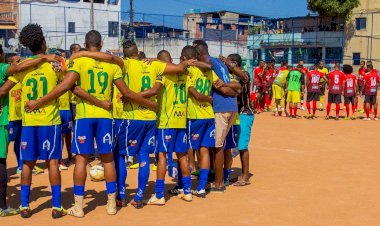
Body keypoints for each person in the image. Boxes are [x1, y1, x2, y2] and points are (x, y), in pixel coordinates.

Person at [25, 30, 157, 217]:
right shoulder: (112, 65)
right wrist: (150, 103)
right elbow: (126, 92)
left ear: (85, 44)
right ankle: (111, 205)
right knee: (108, 159)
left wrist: (38, 102)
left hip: (85, 117)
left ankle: (79, 207)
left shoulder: (79, 61)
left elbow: (66, 86)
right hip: (105, 117)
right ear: (101, 44)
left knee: (81, 159)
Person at [0, 24, 69, 218]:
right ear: (44, 42)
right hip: (50, 121)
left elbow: (4, 90)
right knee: (53, 162)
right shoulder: (56, 63)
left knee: (28, 164)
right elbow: (66, 85)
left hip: (29, 123)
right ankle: (56, 206)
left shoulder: (23, 66)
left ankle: (24, 206)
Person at [194, 40, 247, 193]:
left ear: (199, 54)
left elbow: (223, 89)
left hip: (221, 108)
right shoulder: (220, 63)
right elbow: (235, 85)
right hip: (231, 107)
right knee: (220, 145)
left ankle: (219, 184)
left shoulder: (209, 65)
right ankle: (216, 177)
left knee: (218, 147)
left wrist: (229, 89)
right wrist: (234, 90)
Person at [145, 48, 194, 204]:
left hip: (166, 121)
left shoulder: (163, 74)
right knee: (182, 157)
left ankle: (159, 194)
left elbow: (155, 90)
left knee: (162, 158)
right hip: (181, 121)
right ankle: (187, 191)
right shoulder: (186, 74)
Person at [228, 55, 254, 186]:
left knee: (242, 146)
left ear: (234, 63)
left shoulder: (244, 74)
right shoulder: (231, 76)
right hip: (236, 115)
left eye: (229, 62)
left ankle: (245, 176)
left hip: (245, 113)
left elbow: (244, 78)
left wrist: (229, 64)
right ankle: (237, 173)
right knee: (235, 145)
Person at [55, 49, 73, 170]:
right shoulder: (53, 70)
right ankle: (59, 160)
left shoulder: (68, 71)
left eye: (63, 57)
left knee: (68, 133)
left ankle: (70, 155)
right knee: (59, 135)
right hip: (57, 107)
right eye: (60, 57)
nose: (63, 60)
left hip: (67, 106)